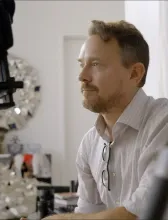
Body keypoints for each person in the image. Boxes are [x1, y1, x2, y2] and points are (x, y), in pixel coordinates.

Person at [43, 20, 168, 219]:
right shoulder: (89, 144)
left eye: (95, 64)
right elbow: (89, 214)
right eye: (81, 65)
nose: (82, 76)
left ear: (135, 73)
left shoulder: (163, 122)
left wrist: (64, 219)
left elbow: (141, 212)